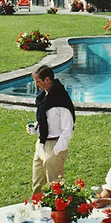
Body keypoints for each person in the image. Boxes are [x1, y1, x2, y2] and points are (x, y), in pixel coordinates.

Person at [29, 64, 75, 194]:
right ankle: (37, 210)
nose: (36, 84)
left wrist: (57, 150)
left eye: (38, 81)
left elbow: (68, 129)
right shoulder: (43, 97)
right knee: (37, 184)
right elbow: (47, 121)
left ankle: (57, 213)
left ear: (47, 80)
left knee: (55, 187)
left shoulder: (61, 100)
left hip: (55, 144)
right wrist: (36, 129)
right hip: (42, 144)